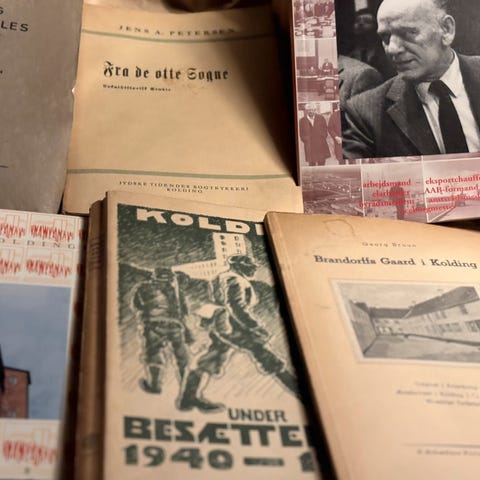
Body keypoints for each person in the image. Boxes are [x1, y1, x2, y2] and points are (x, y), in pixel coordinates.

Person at [342, 0, 480, 161]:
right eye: (385, 37)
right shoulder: (366, 112)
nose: (392, 49)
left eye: (407, 33)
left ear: (446, 30)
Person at [178, 255, 299, 413]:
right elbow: (236, 306)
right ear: (238, 265)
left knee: (212, 357)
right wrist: (254, 326)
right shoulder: (234, 279)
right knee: (266, 356)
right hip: (234, 325)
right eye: (249, 265)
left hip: (223, 324)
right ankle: (300, 392)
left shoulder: (223, 277)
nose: (253, 268)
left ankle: (187, 398)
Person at [132, 267, 192, 394]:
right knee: (181, 355)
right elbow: (184, 311)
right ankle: (186, 386)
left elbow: (137, 305)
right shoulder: (177, 292)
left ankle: (155, 385)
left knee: (154, 352)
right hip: (175, 325)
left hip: (153, 325)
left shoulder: (142, 288)